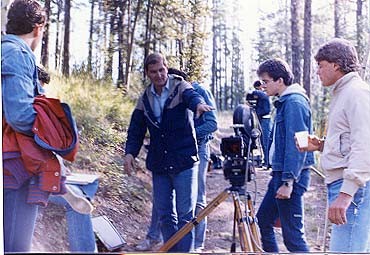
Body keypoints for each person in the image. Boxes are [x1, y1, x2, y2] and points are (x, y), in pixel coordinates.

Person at [123, 53, 214, 252]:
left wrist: (198, 105)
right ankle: (173, 251)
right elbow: (136, 129)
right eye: (153, 72)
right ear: (147, 73)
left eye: (162, 70)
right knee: (164, 213)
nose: (159, 75)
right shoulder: (145, 98)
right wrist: (130, 153)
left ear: (167, 68)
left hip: (184, 161)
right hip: (160, 163)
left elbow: (192, 97)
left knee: (185, 214)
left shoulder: (180, 87)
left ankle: (185, 251)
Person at [300, 38, 370, 252]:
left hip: (353, 186)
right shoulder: (343, 92)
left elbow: (365, 144)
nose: (318, 72)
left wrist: (347, 193)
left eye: (320, 66)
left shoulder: (357, 93)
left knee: (346, 250)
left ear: (335, 64)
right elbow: (348, 140)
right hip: (342, 183)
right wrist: (321, 145)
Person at [255, 58, 314, 252]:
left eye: (266, 81)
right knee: (263, 220)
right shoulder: (284, 102)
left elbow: (300, 144)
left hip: (290, 177)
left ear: (280, 80)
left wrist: (288, 181)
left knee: (293, 238)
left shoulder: (294, 102)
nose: (262, 86)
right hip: (280, 174)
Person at [2, 1, 47, 252]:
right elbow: (19, 115)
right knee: (15, 247)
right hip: (14, 164)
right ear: (39, 28)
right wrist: (51, 132)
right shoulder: (17, 54)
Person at [246, 80, 272, 167]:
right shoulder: (263, 95)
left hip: (265, 120)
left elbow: (252, 94)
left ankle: (268, 162)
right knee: (263, 141)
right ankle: (266, 161)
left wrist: (251, 95)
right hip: (262, 119)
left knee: (265, 141)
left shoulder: (262, 94)